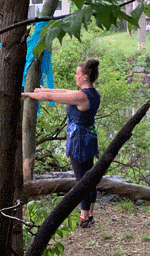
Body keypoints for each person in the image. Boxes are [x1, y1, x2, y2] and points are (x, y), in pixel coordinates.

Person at [21, 58, 101, 227]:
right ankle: (90, 214)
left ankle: (84, 217)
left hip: (79, 140)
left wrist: (29, 94)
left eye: (78, 73)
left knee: (82, 180)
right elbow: (63, 91)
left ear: (85, 77)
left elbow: (53, 97)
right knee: (90, 177)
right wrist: (45, 89)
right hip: (89, 137)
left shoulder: (81, 96)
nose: (75, 76)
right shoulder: (93, 94)